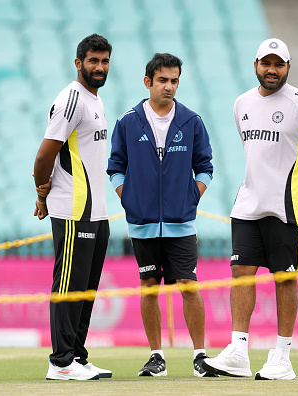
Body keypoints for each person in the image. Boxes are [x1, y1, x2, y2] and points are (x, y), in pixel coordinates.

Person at [202, 38, 298, 380]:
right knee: (241, 274)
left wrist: (291, 182)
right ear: (256, 65)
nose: (272, 70)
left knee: (285, 279)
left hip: (288, 210)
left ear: (288, 68)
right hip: (248, 205)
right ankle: (238, 352)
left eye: (279, 64)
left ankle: (283, 356)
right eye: (266, 63)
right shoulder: (241, 103)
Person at [107, 53, 215, 377]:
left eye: (174, 81)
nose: (169, 86)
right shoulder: (128, 122)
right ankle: (156, 357)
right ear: (148, 82)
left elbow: (206, 167)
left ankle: (200, 355)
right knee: (149, 285)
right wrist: (132, 201)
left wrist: (191, 197)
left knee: (188, 284)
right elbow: (115, 168)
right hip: (142, 226)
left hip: (182, 224)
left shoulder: (192, 121)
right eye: (163, 80)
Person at [33, 33, 113, 381]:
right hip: (72, 209)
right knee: (68, 285)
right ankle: (61, 362)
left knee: (86, 288)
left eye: (104, 61)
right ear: (78, 63)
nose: (99, 67)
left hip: (97, 211)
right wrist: (42, 194)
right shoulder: (71, 99)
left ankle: (77, 357)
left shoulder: (95, 100)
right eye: (93, 60)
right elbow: (44, 155)